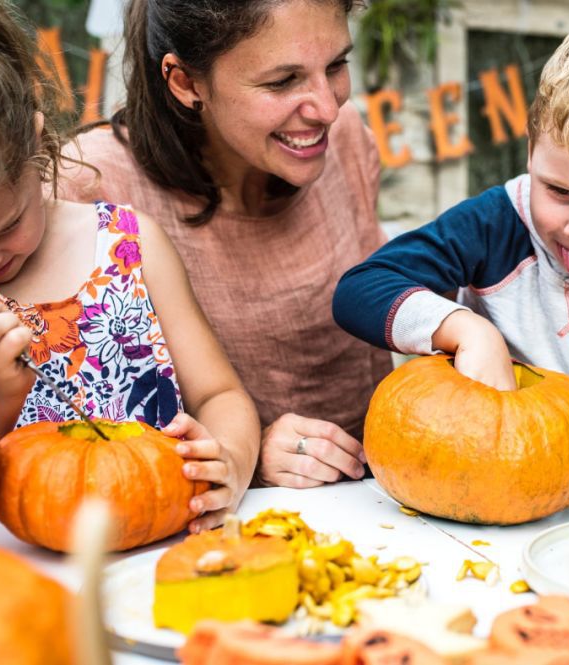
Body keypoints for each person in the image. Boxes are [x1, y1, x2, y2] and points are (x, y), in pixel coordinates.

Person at [0, 0, 260, 533]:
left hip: (161, 543)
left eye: (4, 227)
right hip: (3, 573)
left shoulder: (128, 242)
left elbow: (219, 394)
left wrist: (229, 457)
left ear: (39, 145)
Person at [333, 9, 569, 477]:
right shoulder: (497, 222)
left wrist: (519, 458)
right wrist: (468, 329)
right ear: (531, 149)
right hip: (453, 460)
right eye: (561, 191)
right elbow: (361, 289)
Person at [58, 0, 392, 489]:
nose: (327, 107)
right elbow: (64, 434)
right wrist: (243, 454)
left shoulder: (347, 138)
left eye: (337, 65)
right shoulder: (89, 184)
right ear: (186, 82)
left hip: (384, 507)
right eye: (282, 81)